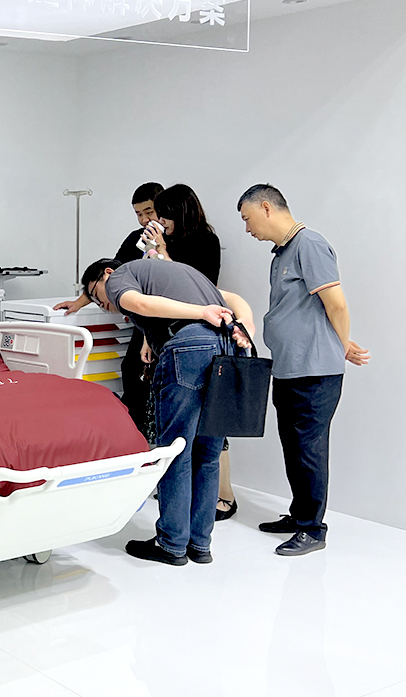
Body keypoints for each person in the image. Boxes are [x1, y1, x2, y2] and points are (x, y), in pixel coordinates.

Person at [82, 257, 253, 566]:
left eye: (96, 294)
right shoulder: (175, 273)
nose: (102, 304)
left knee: (175, 450)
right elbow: (234, 299)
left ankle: (171, 543)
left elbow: (139, 303)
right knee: (208, 453)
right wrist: (246, 325)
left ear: (107, 273)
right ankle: (199, 544)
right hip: (224, 349)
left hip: (189, 349)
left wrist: (201, 313)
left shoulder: (120, 275)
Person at [237, 184, 370, 556]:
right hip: (289, 368)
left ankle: (312, 529)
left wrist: (340, 344)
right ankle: (299, 516)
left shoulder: (309, 245)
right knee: (294, 448)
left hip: (314, 371)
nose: (247, 229)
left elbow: (336, 304)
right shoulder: (282, 252)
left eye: (248, 218)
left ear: (266, 207)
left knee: (309, 449)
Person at [149, 184, 239, 521]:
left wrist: (162, 251)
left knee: (208, 430)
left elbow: (193, 288)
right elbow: (154, 294)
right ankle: (185, 506)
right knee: (180, 430)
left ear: (180, 212)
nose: (160, 221)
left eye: (164, 215)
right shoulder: (167, 241)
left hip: (201, 338)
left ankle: (223, 498)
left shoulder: (205, 242)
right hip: (170, 337)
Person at [54, 182, 163, 434]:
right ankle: (132, 431)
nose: (143, 219)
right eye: (138, 214)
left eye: (148, 212)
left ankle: (142, 432)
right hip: (142, 320)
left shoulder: (172, 239)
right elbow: (109, 271)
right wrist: (80, 302)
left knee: (147, 375)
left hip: (163, 319)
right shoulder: (136, 239)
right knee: (132, 369)